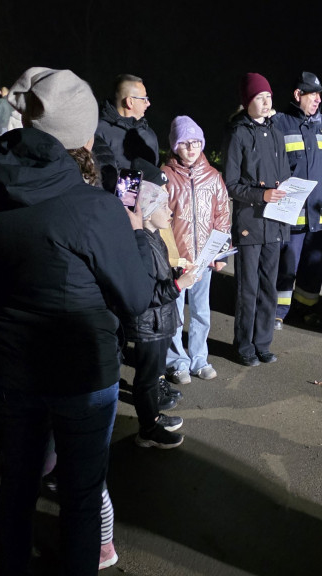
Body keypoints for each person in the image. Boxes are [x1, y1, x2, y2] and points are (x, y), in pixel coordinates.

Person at [0, 67, 155, 575]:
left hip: (13, 365)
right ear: (85, 137)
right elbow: (136, 298)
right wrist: (137, 233)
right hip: (82, 368)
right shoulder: (95, 208)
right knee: (80, 491)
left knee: (19, 479)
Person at [124, 175, 198, 448]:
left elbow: (159, 277)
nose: (170, 212)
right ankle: (148, 430)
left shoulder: (154, 237)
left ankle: (152, 417)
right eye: (164, 207)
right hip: (149, 323)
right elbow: (144, 294)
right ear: (147, 211)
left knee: (154, 375)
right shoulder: (139, 242)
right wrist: (180, 285)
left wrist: (178, 273)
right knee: (146, 379)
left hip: (160, 321)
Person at [224, 72, 291, 366]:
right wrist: (260, 196)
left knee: (268, 286)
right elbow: (231, 183)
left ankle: (263, 343)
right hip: (250, 222)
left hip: (275, 223)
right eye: (259, 97)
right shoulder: (238, 133)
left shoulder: (277, 134)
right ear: (247, 101)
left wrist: (290, 191)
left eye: (268, 96)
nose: (266, 102)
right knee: (247, 289)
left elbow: (285, 175)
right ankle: (243, 346)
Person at [162, 115, 231, 384]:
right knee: (175, 313)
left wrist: (221, 254)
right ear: (174, 145)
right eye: (184, 143)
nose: (191, 148)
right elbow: (159, 218)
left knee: (202, 311)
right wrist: (168, 257)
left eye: (196, 142)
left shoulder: (213, 177)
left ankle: (199, 358)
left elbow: (223, 215)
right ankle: (176, 360)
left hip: (203, 260)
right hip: (177, 261)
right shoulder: (166, 176)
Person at [273, 71, 322, 329]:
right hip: (291, 213)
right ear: (298, 94)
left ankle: (307, 307)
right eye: (313, 95)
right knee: (286, 263)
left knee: (313, 267)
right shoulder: (279, 123)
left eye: (320, 96)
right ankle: (278, 311)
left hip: (320, 213)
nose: (318, 100)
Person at [95, 73, 159, 187]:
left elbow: (156, 177)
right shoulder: (98, 131)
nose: (148, 103)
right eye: (144, 99)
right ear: (130, 102)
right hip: (111, 203)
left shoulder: (149, 134)